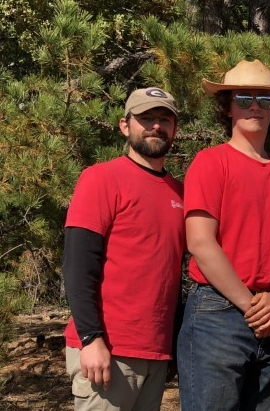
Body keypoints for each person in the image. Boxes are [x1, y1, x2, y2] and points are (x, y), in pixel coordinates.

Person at [177, 59, 270, 410]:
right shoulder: (211, 162)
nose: (254, 106)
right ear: (227, 106)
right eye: (244, 98)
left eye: (265, 100)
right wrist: (253, 308)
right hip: (217, 314)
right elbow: (200, 243)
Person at [63, 87, 184, 411]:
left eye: (164, 119)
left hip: (156, 354)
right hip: (107, 351)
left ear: (174, 129)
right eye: (146, 118)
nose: (156, 126)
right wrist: (91, 339)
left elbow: (171, 274)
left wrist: (171, 345)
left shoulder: (179, 192)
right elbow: (77, 266)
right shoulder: (101, 178)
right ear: (125, 125)